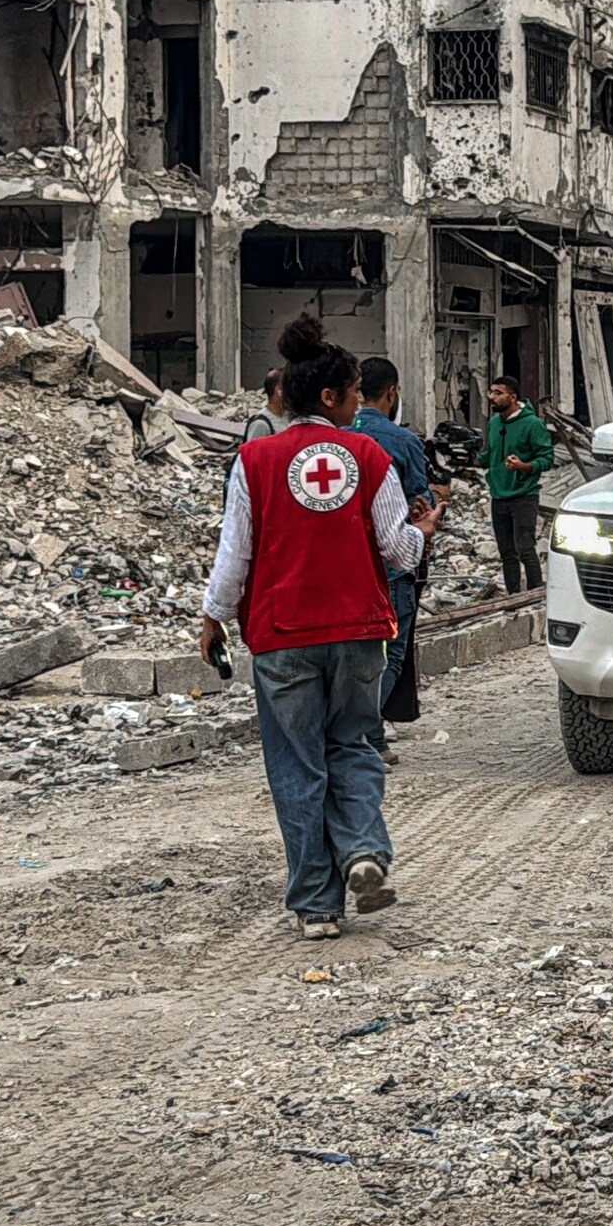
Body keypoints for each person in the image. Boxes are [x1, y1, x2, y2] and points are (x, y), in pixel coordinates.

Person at [201, 317, 443, 940]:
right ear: (331, 398)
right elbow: (396, 550)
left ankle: (316, 904)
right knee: (354, 745)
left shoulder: (253, 459)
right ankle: (363, 851)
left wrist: (213, 618)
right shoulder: (369, 456)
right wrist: (425, 533)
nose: (363, 404)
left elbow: (236, 553)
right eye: (358, 393)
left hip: (282, 633)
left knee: (296, 762)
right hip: (360, 630)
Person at [352, 356, 433, 756]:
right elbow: (420, 501)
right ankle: (363, 737)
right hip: (393, 562)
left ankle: (373, 738)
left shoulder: (338, 435)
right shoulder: (402, 442)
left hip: (347, 563)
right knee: (392, 651)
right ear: (393, 392)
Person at [483, 375, 553, 594]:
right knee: (506, 553)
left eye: (498, 393)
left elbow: (547, 459)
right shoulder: (494, 423)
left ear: (512, 397)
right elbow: (488, 455)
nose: (492, 398)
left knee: (525, 549)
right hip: (499, 496)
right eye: (491, 393)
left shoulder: (532, 424)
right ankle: (512, 596)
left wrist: (524, 466)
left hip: (524, 496)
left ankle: (534, 595)